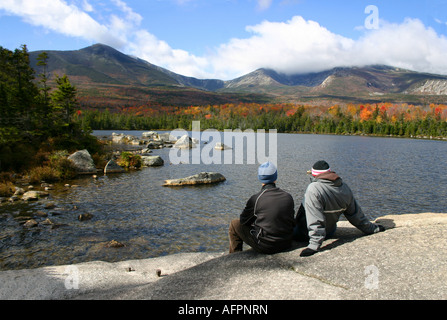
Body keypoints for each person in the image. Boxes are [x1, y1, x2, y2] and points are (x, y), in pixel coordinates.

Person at [294, 160, 385, 257]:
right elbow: (355, 215)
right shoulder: (344, 187)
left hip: (304, 234)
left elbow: (315, 219)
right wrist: (372, 229)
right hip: (330, 231)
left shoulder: (314, 189)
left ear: (315, 175)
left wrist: (313, 245)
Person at [228, 161, 295, 254]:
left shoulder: (256, 199)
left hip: (266, 246)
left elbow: (243, 221)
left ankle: (234, 257)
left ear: (260, 178)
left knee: (234, 224)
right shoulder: (288, 196)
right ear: (275, 177)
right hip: (287, 243)